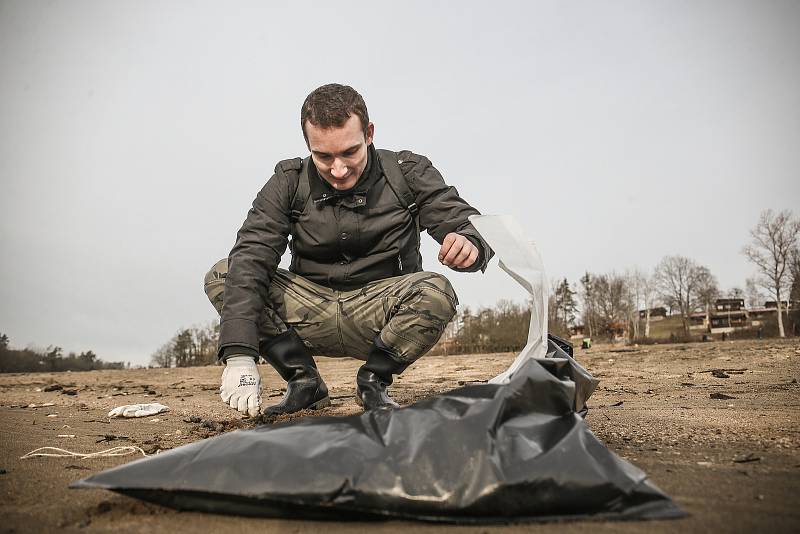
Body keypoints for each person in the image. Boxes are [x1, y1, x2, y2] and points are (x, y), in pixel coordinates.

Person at [204, 83, 493, 418]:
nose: (338, 170)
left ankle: (373, 380)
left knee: (436, 291)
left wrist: (470, 241)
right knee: (224, 274)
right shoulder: (287, 181)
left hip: (381, 314)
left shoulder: (407, 172)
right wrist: (240, 353)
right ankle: (303, 381)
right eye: (324, 156)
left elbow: (466, 222)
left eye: (350, 152)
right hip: (309, 312)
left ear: (369, 134)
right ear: (308, 144)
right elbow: (252, 255)